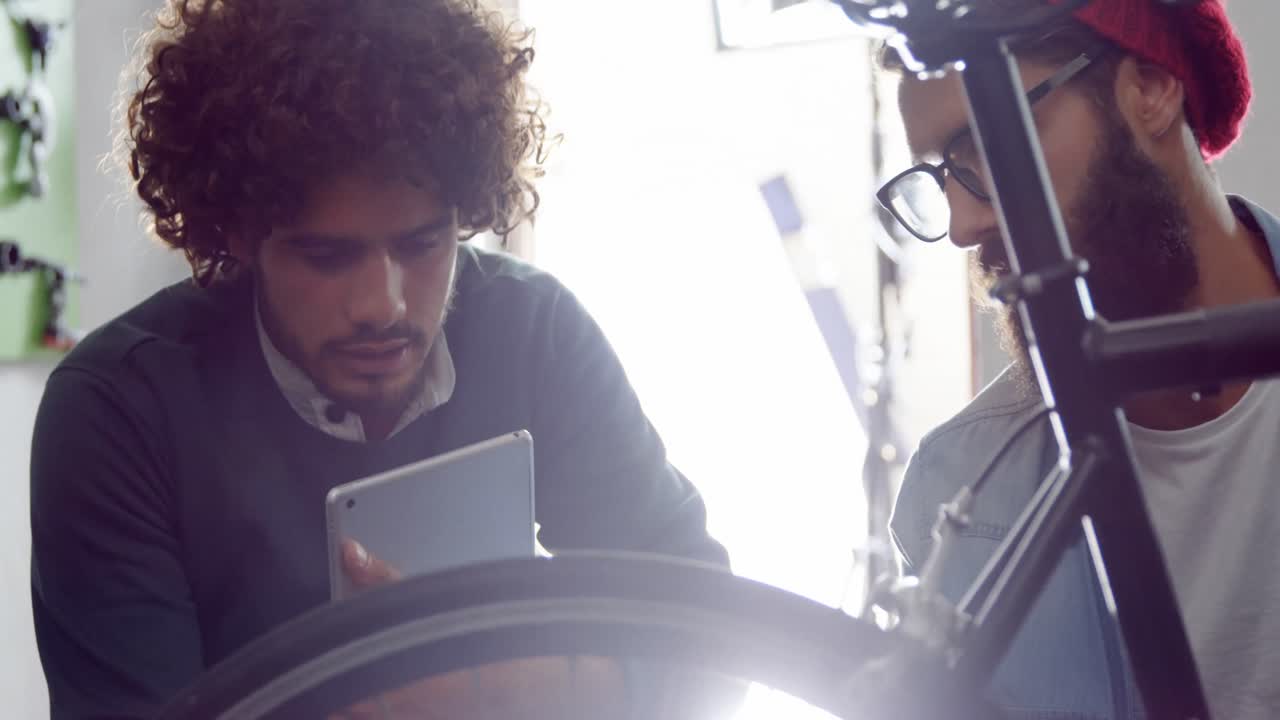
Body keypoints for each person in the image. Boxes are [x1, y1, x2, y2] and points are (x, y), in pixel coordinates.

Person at [28, 0, 729, 717]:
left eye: (423, 244)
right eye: (326, 256)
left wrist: (481, 691)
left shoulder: (533, 334)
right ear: (238, 234)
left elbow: (716, 638)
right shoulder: (120, 411)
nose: (383, 306)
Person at [878, 1, 1278, 718]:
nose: (965, 228)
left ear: (1150, 89)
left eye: (986, 144)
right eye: (943, 176)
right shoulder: (954, 490)